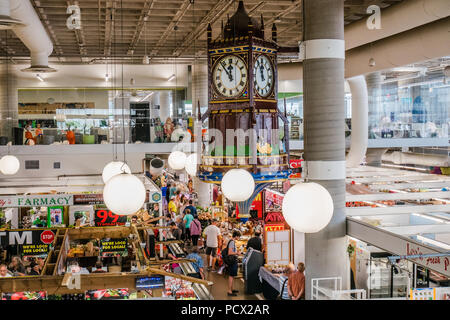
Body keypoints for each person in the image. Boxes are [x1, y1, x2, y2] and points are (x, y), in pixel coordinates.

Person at [225, 230, 241, 296]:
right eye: (239, 236)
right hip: (232, 260)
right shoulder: (232, 242)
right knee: (231, 276)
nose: (239, 238)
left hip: (232, 260)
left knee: (232, 275)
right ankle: (229, 291)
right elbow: (230, 252)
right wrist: (237, 253)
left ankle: (232, 288)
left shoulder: (231, 241)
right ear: (236, 236)